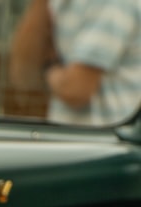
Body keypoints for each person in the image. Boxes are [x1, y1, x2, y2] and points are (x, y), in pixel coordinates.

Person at [10, 0, 141, 125]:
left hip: (106, 140)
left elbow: (76, 89)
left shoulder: (109, 3)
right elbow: (24, 76)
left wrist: (49, 69)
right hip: (72, 139)